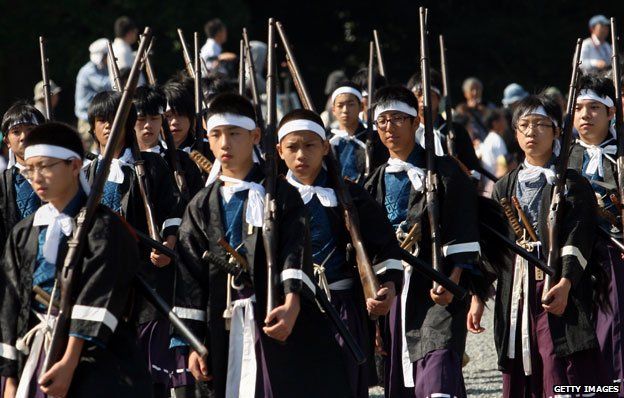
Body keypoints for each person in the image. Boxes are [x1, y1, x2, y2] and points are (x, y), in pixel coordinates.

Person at [172, 92, 351, 397]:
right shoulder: (200, 205)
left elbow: (295, 251)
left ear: (255, 136)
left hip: (276, 312)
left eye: (234, 134)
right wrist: (193, 343)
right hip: (222, 320)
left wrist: (292, 304)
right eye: (216, 135)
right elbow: (190, 277)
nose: (225, 143)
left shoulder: (281, 194)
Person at [0, 122, 152, 398]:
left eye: (45, 166)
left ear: (74, 166)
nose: (36, 177)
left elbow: (99, 294)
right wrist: (10, 379)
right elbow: (11, 303)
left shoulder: (104, 227)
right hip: (35, 354)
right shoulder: (23, 233)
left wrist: (69, 361)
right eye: (30, 168)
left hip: (97, 360)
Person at [483, 95, 609, 396]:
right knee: (520, 358)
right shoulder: (504, 186)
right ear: (514, 133)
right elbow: (495, 245)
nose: (531, 132)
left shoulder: (573, 183)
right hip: (516, 289)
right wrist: (479, 296)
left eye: (540, 124)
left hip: (559, 284)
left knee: (558, 361)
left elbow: (578, 235)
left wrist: (565, 282)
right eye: (524, 125)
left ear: (556, 132)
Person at [277, 108, 403, 397]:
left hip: (343, 307)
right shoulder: (270, 198)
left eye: (309, 146)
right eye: (292, 147)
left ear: (324, 146)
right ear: (279, 150)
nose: (301, 155)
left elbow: (385, 246)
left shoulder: (351, 194)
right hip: (291, 310)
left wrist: (388, 286)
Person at [365, 85, 482, 398]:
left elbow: (462, 227)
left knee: (438, 368)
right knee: (401, 379)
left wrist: (453, 278)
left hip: (436, 286)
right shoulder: (373, 181)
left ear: (416, 121)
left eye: (398, 119)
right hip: (393, 288)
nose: (390, 127)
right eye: (382, 121)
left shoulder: (444, 172)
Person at [84, 91, 186, 398]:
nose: (108, 127)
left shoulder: (152, 166)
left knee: (147, 366)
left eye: (115, 119)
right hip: (99, 285)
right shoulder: (86, 173)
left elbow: (173, 211)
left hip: (144, 281)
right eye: (101, 120)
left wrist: (167, 243)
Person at [568, 74, 624, 389]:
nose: (585, 115)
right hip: (573, 257)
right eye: (578, 108)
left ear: (610, 113)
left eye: (593, 107)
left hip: (615, 252)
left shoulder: (620, 153)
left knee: (613, 329)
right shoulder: (564, 155)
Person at [407, 69, 484, 180]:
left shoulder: (457, 131)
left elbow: (473, 171)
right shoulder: (407, 132)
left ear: (439, 98)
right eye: (418, 94)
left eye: (429, 94)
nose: (423, 99)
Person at [133, 85, 204, 199]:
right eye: (141, 119)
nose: (148, 125)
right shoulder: (122, 163)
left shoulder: (183, 161)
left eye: (154, 118)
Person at [0, 102, 45, 248]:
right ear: (6, 141)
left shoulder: (59, 175)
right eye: (16, 131)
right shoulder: (2, 184)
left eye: (30, 129)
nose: (23, 136)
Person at [327, 81, 387, 184]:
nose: (345, 110)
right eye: (340, 105)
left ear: (361, 106)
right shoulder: (327, 140)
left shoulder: (375, 138)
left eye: (351, 104)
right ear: (333, 109)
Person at [74, 38, 111, 151]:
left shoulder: (102, 69)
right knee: (92, 153)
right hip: (86, 119)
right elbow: (106, 85)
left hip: (97, 117)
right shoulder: (88, 71)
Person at [479, 108, 509, 179]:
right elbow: (502, 167)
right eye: (502, 119)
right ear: (495, 123)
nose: (505, 121)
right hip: (497, 184)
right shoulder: (497, 140)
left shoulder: (489, 139)